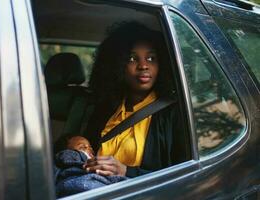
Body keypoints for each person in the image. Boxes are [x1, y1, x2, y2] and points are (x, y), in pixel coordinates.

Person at [84, 21, 189, 178]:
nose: (143, 66)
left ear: (162, 64)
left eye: (151, 58)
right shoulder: (105, 108)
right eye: (132, 58)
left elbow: (184, 177)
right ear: (117, 64)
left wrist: (126, 172)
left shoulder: (175, 113)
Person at [54, 136, 127, 197]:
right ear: (69, 152)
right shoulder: (69, 158)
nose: (90, 149)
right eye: (82, 147)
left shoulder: (102, 166)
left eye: (90, 147)